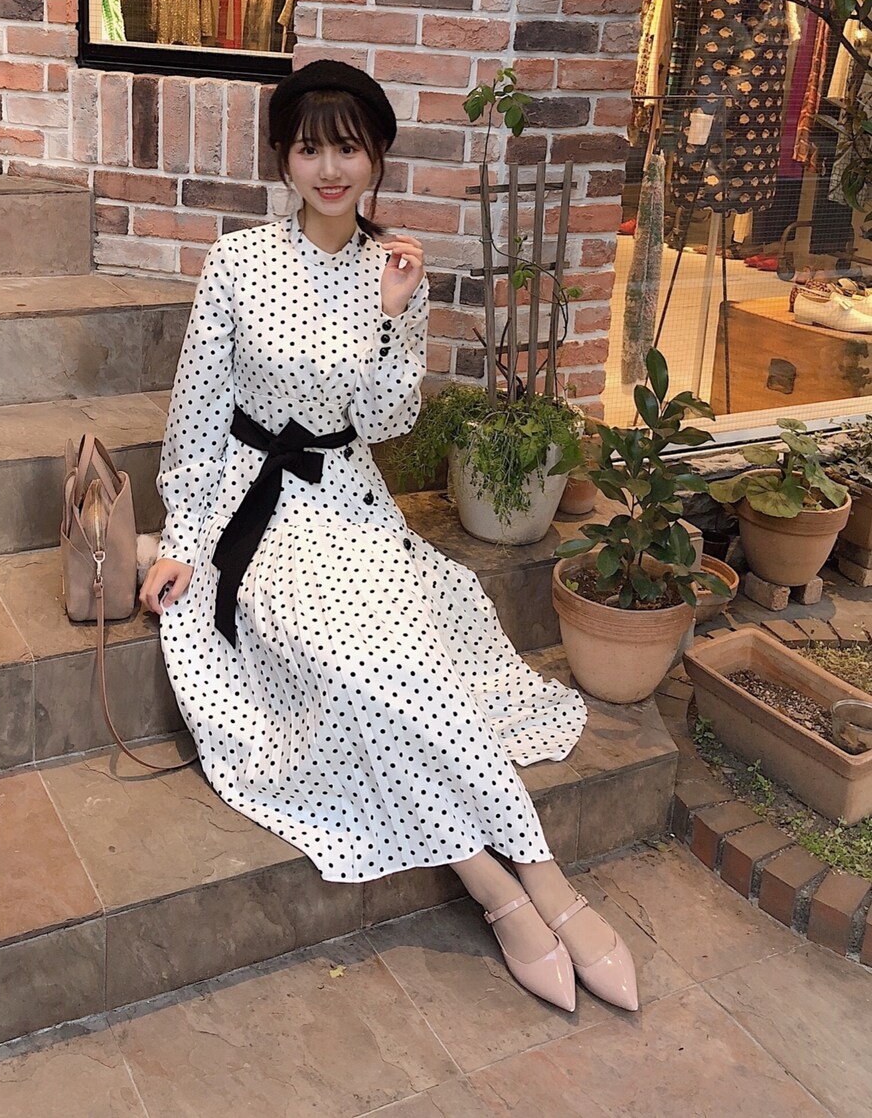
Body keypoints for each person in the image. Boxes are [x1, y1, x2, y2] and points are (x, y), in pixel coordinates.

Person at [140, 59, 638, 1013]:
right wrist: (183, 537)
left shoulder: (396, 270)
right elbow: (196, 415)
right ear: (283, 159)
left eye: (348, 149)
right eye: (309, 149)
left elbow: (385, 422)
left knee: (411, 664)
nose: (330, 169)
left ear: (376, 158)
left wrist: (390, 317)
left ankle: (546, 881)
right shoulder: (238, 262)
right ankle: (508, 890)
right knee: (352, 667)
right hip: (256, 508)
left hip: (351, 504)